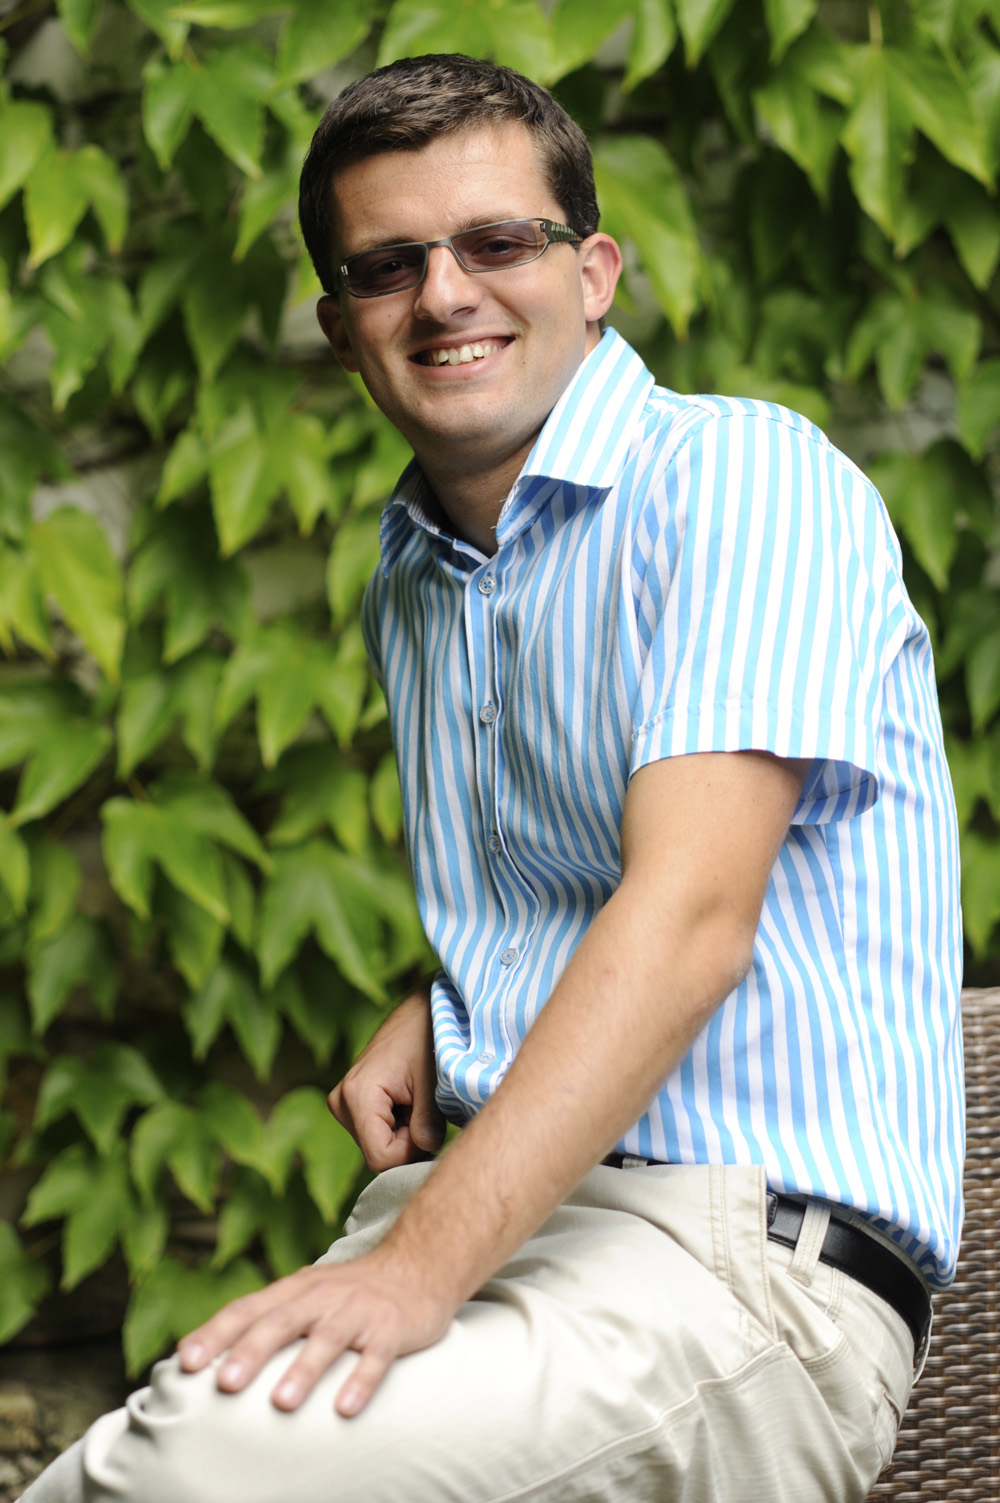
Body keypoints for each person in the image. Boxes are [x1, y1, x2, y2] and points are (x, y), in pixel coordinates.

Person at [24, 52, 964, 1503]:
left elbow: (691, 921)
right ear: (342, 329)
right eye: (388, 266)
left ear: (593, 272)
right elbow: (599, 872)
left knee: (182, 1480)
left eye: (496, 242)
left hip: (742, 1272)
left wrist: (415, 1267)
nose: (444, 295)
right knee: (108, 1470)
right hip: (524, 1231)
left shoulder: (737, 479)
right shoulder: (415, 580)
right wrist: (459, 1004)